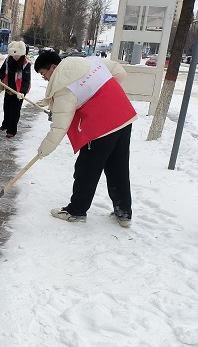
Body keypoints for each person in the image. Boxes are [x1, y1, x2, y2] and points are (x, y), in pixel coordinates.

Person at [33, 50, 137, 226]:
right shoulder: (90, 61)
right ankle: (124, 212)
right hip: (123, 116)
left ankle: (77, 210)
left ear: (53, 67)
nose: (45, 79)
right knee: (118, 166)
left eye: (44, 74)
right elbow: (120, 72)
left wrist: (43, 151)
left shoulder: (63, 87)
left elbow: (59, 127)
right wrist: (106, 96)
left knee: (87, 168)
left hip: (100, 126)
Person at [0, 40, 31, 138]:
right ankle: (5, 124)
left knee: (15, 111)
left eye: (17, 55)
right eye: (14, 55)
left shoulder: (26, 64)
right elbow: (2, 71)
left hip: (19, 92)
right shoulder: (8, 61)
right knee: (6, 109)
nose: (15, 57)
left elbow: (26, 81)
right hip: (8, 89)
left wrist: (22, 92)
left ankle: (11, 131)